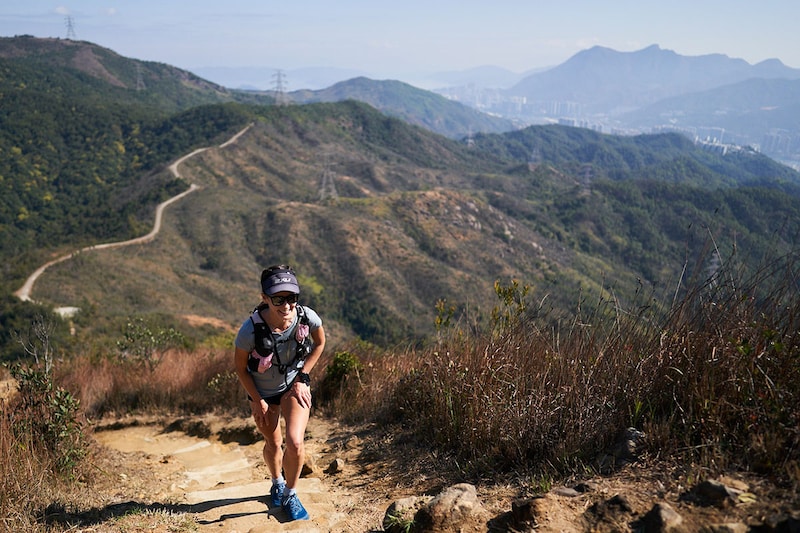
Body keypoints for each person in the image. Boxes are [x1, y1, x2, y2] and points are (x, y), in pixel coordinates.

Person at [234, 264, 325, 521]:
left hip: (293, 386)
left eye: (291, 298)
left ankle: (290, 493)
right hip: (262, 393)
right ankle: (276, 481)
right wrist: (257, 400)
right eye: (278, 299)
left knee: (295, 441)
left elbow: (320, 343)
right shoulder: (250, 330)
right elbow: (240, 369)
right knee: (273, 443)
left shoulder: (306, 317)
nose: (286, 305)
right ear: (265, 298)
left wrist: (303, 376)